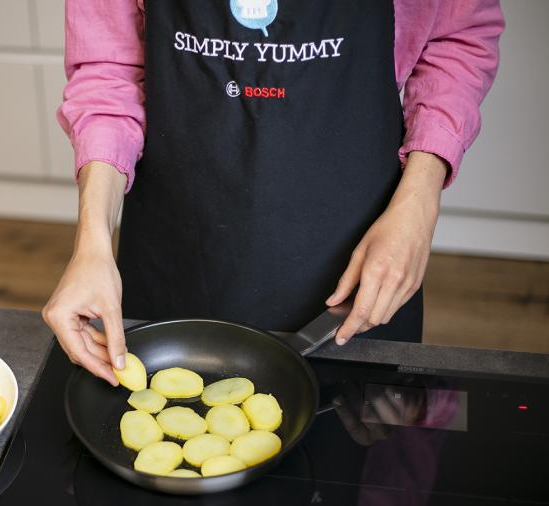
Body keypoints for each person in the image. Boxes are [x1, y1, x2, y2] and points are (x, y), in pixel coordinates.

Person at [43, 0, 504, 385]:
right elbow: (108, 73)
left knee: (355, 461)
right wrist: (92, 243)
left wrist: (420, 203)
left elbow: (456, 40)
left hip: (358, 253)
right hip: (178, 247)